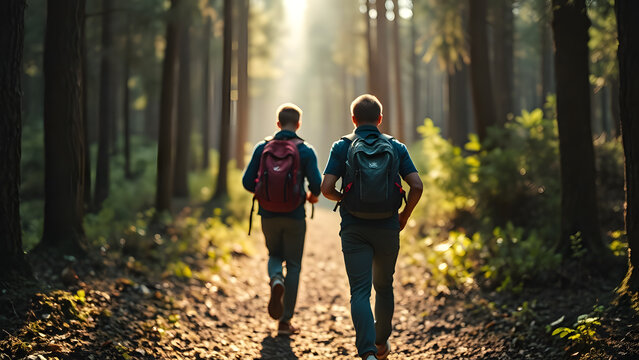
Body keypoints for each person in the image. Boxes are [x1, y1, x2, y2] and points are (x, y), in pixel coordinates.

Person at [321, 94, 423, 360]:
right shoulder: (396, 147)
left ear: (353, 119)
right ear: (380, 119)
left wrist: (343, 198)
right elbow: (417, 185)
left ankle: (366, 352)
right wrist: (404, 216)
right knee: (384, 286)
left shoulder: (342, 146)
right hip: (388, 225)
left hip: (354, 226)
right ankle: (381, 344)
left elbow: (326, 188)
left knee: (360, 291)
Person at [242, 103, 321, 336]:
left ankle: (276, 278)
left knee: (274, 255)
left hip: (268, 214)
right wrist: (310, 195)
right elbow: (317, 185)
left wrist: (265, 193)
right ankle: (285, 322)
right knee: (294, 265)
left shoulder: (262, 147)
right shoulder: (305, 150)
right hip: (295, 215)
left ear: (278, 123)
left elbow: (247, 182)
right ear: (298, 124)